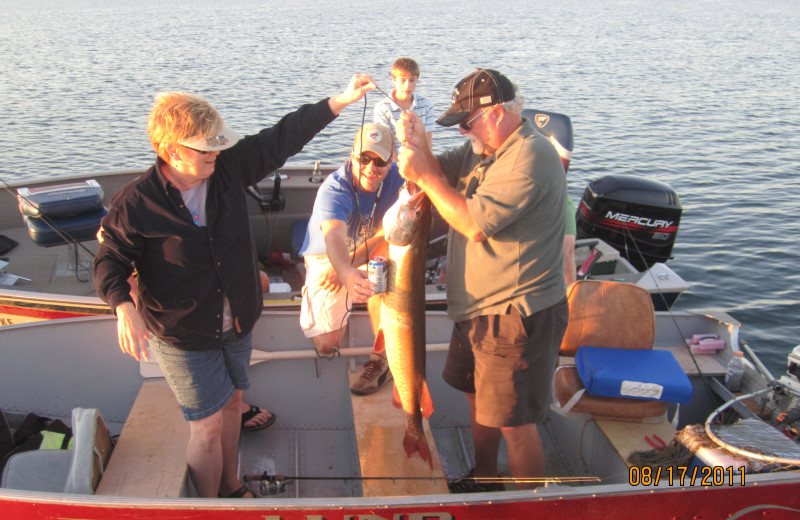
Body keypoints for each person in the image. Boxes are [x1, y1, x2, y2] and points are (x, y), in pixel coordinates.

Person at [93, 75, 376, 499]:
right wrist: (123, 306)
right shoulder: (136, 203)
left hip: (237, 318)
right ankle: (210, 505)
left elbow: (282, 138)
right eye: (206, 148)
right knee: (205, 428)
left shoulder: (226, 169)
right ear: (172, 150)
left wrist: (340, 101)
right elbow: (110, 258)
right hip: (183, 332)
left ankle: (230, 485)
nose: (217, 153)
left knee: (230, 406)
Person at [396, 69, 569, 492]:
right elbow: (436, 169)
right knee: (479, 402)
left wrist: (424, 176)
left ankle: (532, 507)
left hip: (516, 315)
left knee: (515, 424)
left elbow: (472, 223)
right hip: (475, 309)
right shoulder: (483, 147)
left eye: (466, 121)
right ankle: (485, 479)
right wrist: (419, 146)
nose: (462, 129)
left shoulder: (529, 156)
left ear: (493, 113)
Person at [298, 123, 405, 395]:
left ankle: (382, 360)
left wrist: (351, 267)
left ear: (392, 160)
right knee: (326, 344)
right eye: (364, 158)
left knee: (381, 277)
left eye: (381, 161)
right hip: (329, 254)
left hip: (374, 247)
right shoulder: (334, 190)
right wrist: (343, 270)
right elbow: (333, 236)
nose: (372, 167)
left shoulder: (400, 177)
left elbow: (389, 230)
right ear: (352, 155)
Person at [374, 57, 436, 152]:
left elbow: (428, 144)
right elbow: (387, 147)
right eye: (403, 80)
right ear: (394, 80)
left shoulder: (426, 105)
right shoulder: (382, 108)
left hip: (419, 160)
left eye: (412, 80)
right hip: (393, 163)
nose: (407, 85)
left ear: (417, 80)